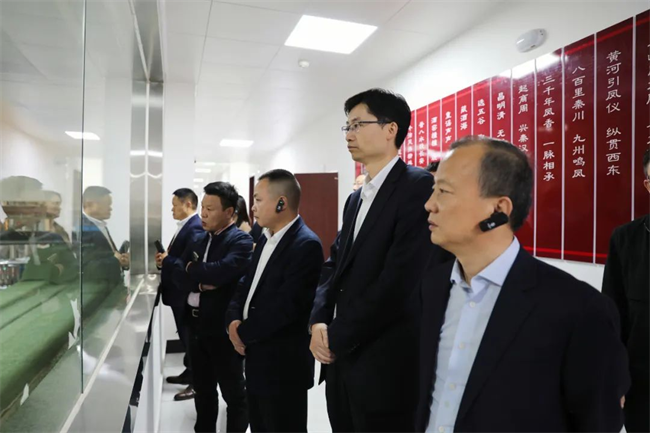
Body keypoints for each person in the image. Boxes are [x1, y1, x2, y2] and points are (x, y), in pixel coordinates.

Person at [416, 136, 629, 433]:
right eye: (433, 189)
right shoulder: (433, 287)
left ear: (498, 209)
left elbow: (597, 422)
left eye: (444, 191)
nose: (429, 205)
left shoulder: (577, 310)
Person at [309, 88, 437, 432]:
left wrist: (337, 335)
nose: (348, 135)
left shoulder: (417, 187)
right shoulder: (356, 199)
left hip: (383, 361)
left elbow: (398, 282)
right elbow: (334, 265)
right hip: (341, 359)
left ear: (390, 129)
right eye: (347, 127)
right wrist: (318, 320)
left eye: (357, 125)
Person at [226, 170, 323, 433]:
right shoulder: (264, 237)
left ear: (281, 203)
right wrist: (233, 320)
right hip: (257, 360)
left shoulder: (305, 245)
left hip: (282, 368)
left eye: (258, 199)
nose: (253, 207)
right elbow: (246, 284)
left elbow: (285, 309)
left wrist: (242, 334)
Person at [167, 181, 252, 433]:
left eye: (210, 209)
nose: (203, 214)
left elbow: (220, 272)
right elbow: (177, 274)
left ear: (229, 212)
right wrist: (200, 282)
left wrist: (192, 269)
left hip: (222, 329)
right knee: (203, 390)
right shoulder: (198, 238)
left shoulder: (241, 241)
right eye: (202, 207)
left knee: (233, 393)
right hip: (195, 324)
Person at [602, 148, 650, 433]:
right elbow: (612, 316)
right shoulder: (626, 239)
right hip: (643, 387)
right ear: (648, 185)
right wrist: (613, 379)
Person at [158, 188, 203, 401]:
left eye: (175, 205)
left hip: (183, 294)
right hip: (177, 293)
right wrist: (164, 260)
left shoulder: (195, 227)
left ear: (188, 204)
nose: (172, 209)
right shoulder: (185, 226)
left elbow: (188, 264)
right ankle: (189, 372)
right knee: (186, 338)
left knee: (190, 339)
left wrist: (167, 259)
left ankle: (197, 382)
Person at [81, 186, 128, 284]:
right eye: (106, 204)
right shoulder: (83, 228)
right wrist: (116, 261)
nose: (110, 208)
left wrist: (122, 261)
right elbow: (87, 267)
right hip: (97, 289)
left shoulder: (100, 225)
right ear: (89, 204)